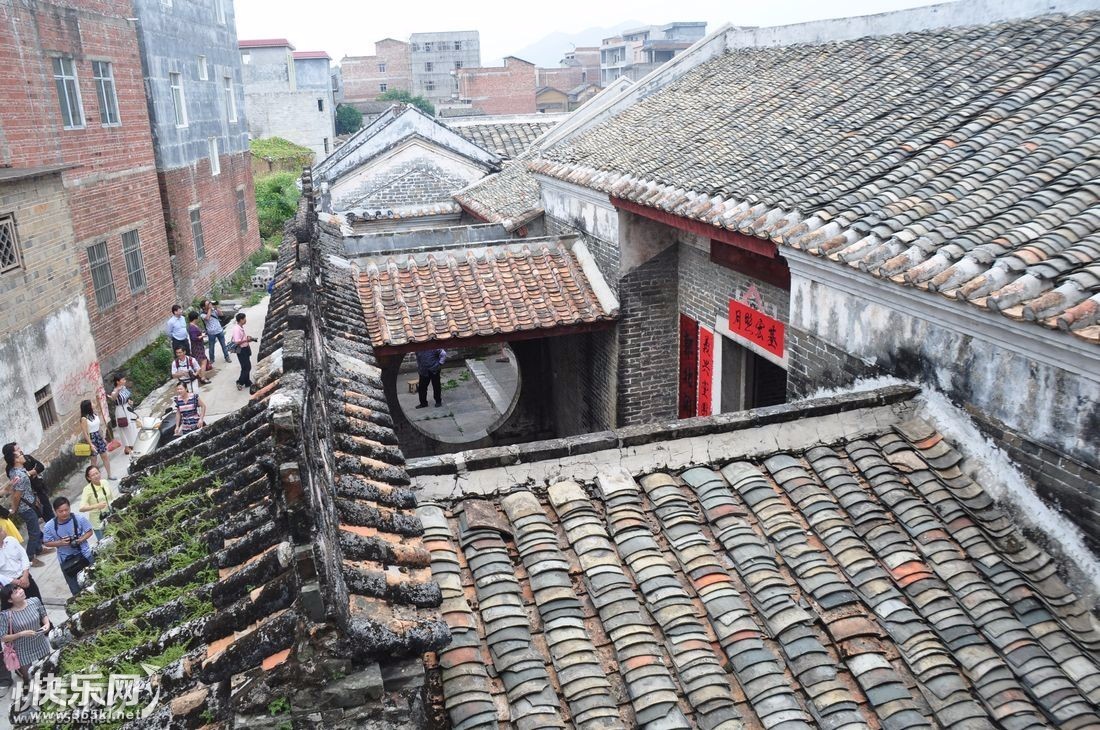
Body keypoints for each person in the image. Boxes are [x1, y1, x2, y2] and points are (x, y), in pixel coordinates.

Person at [2, 448, 47, 563]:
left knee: (34, 529)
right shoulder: (20, 475)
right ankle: (30, 557)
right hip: (25, 508)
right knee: (35, 532)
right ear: (16, 460)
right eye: (20, 454)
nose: (23, 455)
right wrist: (14, 509)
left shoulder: (15, 471)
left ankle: (38, 549)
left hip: (28, 504)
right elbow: (17, 495)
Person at [42, 498, 94, 596]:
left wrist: (80, 540)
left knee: (94, 581)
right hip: (66, 561)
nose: (64, 513)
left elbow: (89, 531)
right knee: (76, 590)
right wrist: (60, 542)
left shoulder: (79, 519)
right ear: (55, 511)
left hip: (85, 554)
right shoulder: (49, 526)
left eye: (66, 510)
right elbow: (46, 542)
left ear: (70, 508)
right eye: (60, 511)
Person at [0, 583, 51, 683]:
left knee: (48, 670)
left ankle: (49, 689)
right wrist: (21, 634)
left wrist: (47, 624)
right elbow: (2, 637)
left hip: (41, 643)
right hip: (22, 650)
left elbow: (43, 615)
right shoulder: (5, 615)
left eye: (19, 589)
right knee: (28, 677)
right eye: (16, 592)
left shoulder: (34, 601)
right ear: (10, 600)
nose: (21, 591)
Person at [0, 444, 52, 523]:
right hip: (29, 498)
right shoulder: (11, 469)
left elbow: (41, 467)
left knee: (49, 514)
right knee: (35, 523)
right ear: (12, 455)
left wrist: (28, 473)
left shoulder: (27, 458)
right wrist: (31, 473)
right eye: (17, 449)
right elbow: (19, 484)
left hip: (39, 490)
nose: (20, 450)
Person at [0, 522, 41, 608]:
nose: (3, 531)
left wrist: (25, 575)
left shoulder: (11, 540)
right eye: (1, 530)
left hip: (26, 578)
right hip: (11, 587)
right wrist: (16, 582)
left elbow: (23, 556)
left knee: (38, 603)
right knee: (20, 610)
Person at [78, 399, 113, 481]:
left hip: (98, 436)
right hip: (92, 438)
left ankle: (110, 475)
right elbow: (85, 433)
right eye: (92, 403)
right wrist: (91, 444)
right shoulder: (84, 418)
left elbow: (99, 427)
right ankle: (92, 479)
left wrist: (103, 437)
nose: (94, 404)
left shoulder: (95, 414)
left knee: (105, 456)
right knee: (94, 460)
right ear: (88, 407)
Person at [79, 466, 113, 541]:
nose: (96, 476)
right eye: (93, 475)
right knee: (105, 545)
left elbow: (112, 499)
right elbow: (81, 508)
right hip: (98, 523)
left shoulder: (105, 482)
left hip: (111, 517)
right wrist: (97, 506)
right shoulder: (87, 489)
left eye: (97, 473)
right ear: (88, 478)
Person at [107, 374, 138, 456]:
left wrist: (130, 401)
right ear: (118, 382)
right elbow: (113, 397)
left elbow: (128, 397)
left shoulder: (124, 388)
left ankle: (132, 443)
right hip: (120, 410)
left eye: (124, 379)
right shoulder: (115, 390)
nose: (124, 381)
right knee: (123, 427)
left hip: (127, 408)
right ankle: (127, 447)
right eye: (122, 380)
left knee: (131, 426)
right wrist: (118, 390)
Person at [229, 312, 257, 392]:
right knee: (246, 367)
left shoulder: (240, 327)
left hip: (245, 348)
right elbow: (237, 342)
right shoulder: (237, 329)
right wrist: (247, 340)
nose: (245, 320)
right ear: (241, 320)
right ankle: (240, 382)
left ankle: (247, 381)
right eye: (244, 319)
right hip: (241, 350)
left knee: (246, 366)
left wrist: (248, 339)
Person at [201, 300, 231, 364]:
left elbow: (221, 314)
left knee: (223, 345)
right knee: (211, 347)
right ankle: (212, 359)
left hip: (219, 330)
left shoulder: (213, 310)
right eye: (208, 304)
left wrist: (216, 307)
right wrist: (209, 309)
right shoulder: (202, 314)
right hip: (211, 333)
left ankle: (227, 357)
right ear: (204, 307)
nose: (210, 304)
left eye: (210, 303)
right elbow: (207, 318)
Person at [187, 311, 213, 384]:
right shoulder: (192, 327)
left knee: (199, 362)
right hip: (197, 347)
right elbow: (194, 338)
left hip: (198, 346)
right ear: (195, 318)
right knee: (203, 361)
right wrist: (202, 336)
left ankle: (201, 375)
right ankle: (203, 378)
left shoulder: (193, 325)